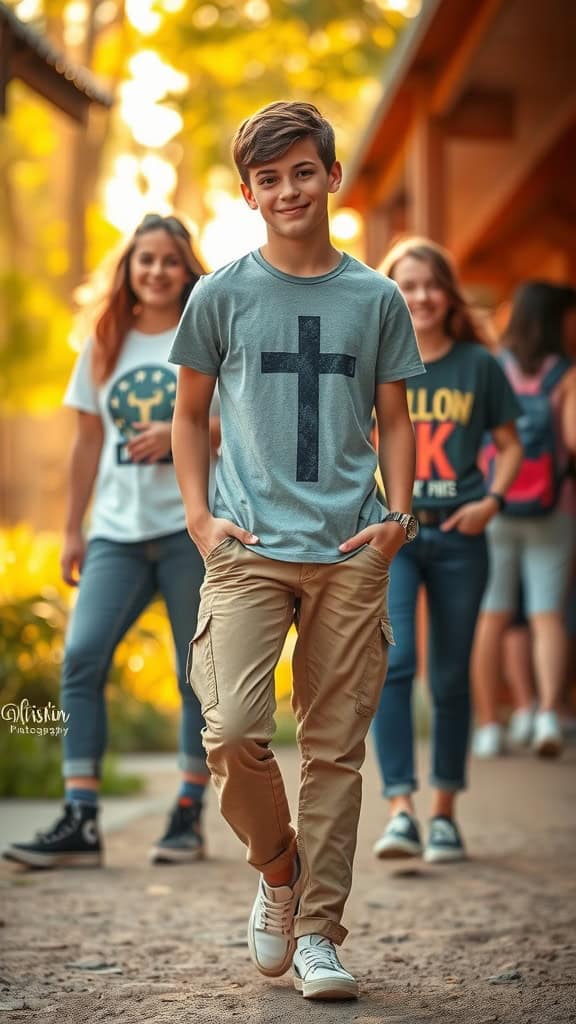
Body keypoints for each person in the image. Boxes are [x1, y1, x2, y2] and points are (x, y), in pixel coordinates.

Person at [169, 101, 424, 1001]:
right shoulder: (220, 295)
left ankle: (319, 931)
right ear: (248, 193)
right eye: (269, 179)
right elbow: (189, 415)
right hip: (248, 545)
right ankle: (280, 873)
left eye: (302, 172)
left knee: (334, 749)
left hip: (352, 544)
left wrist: (399, 517)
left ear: (331, 178)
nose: (288, 190)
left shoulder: (376, 297)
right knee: (233, 730)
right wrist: (201, 520)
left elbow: (396, 417)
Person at [3, 213, 216, 870]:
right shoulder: (103, 343)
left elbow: (233, 427)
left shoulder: (206, 334)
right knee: (81, 658)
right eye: (144, 259)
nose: (155, 271)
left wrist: (181, 436)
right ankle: (81, 819)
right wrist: (73, 527)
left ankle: (186, 813)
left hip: (188, 529)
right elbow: (87, 441)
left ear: (187, 271)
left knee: (195, 675)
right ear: (128, 269)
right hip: (116, 536)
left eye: (169, 261)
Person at [371, 237, 522, 865]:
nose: (422, 296)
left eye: (432, 283)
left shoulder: (477, 366)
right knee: (394, 666)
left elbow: (510, 444)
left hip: (462, 536)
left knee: (453, 677)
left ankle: (444, 816)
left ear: (447, 293)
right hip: (398, 536)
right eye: (408, 284)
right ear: (391, 293)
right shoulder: (374, 359)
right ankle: (400, 809)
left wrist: (493, 501)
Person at [472, 282, 576, 758]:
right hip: (554, 507)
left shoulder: (492, 366)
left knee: (492, 616)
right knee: (546, 614)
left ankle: (491, 725)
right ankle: (549, 715)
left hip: (495, 503)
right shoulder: (566, 375)